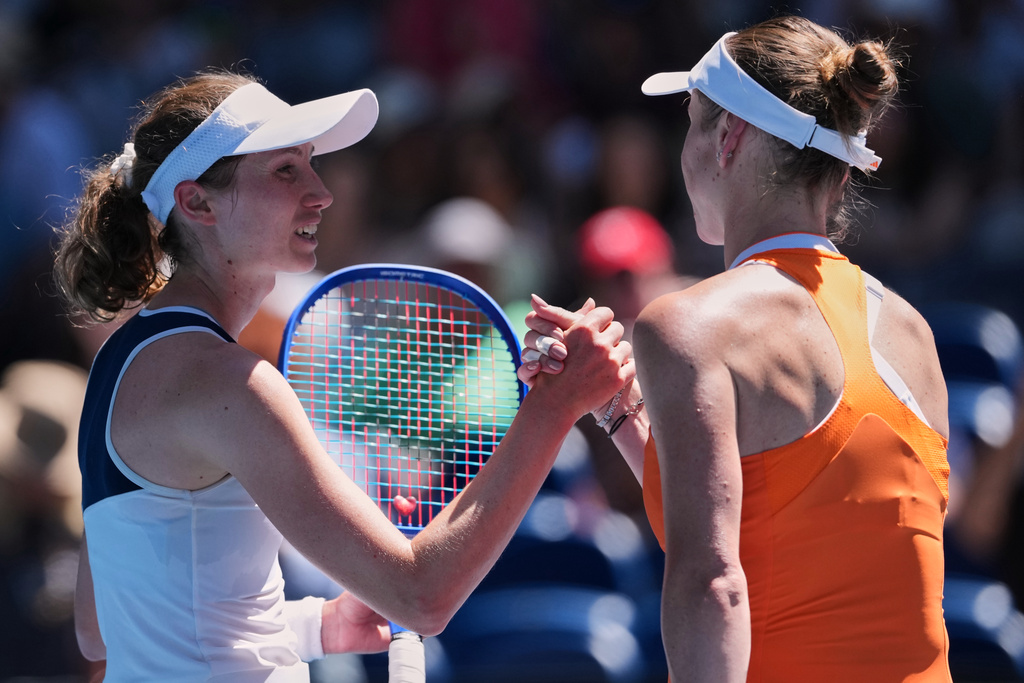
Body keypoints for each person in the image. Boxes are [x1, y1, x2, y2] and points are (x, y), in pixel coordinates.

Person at [53, 69, 633, 682]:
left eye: (309, 164)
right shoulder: (232, 383)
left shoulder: (117, 368)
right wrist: (553, 407)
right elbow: (421, 597)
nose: (321, 192)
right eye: (285, 171)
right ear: (197, 202)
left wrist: (315, 626)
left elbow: (100, 626)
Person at [519, 16, 952, 682]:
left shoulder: (686, 325)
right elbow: (787, 530)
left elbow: (715, 583)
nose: (682, 146)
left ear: (728, 139)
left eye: (692, 121)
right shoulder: (913, 332)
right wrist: (613, 406)